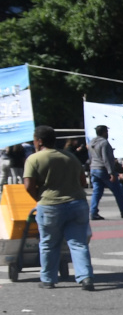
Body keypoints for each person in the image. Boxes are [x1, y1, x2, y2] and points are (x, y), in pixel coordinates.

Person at [23, 124, 95, 289]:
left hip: (50, 205)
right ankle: (86, 278)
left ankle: (48, 279)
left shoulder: (34, 159)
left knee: (49, 243)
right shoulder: (70, 156)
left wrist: (39, 198)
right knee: (78, 243)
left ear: (39, 141)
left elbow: (28, 185)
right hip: (77, 204)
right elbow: (83, 181)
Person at [85, 125, 123, 221]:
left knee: (97, 192)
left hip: (94, 169)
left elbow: (91, 157)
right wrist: (111, 173)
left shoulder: (91, 142)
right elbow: (106, 159)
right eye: (107, 132)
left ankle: (93, 212)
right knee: (118, 190)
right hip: (103, 169)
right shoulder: (104, 143)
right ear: (104, 132)